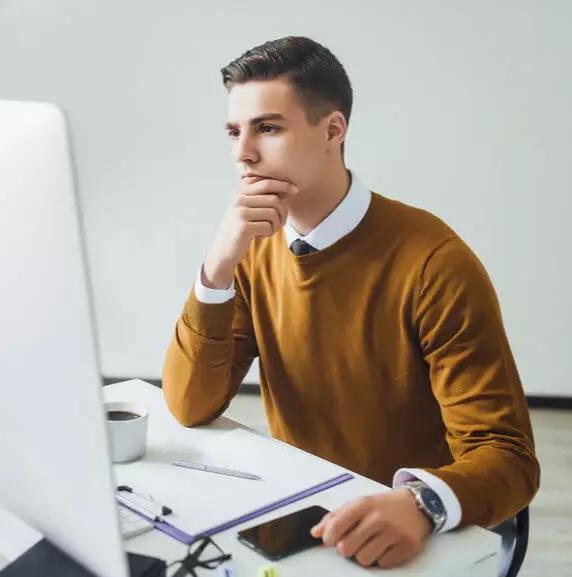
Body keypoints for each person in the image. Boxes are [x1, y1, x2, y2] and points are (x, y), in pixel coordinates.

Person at [162, 36, 539, 569]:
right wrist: (216, 269)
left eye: (267, 128)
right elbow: (188, 404)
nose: (243, 153)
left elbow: (510, 459)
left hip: (430, 527)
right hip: (311, 511)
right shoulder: (251, 248)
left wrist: (422, 504)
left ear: (333, 131)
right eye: (233, 131)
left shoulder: (434, 262)